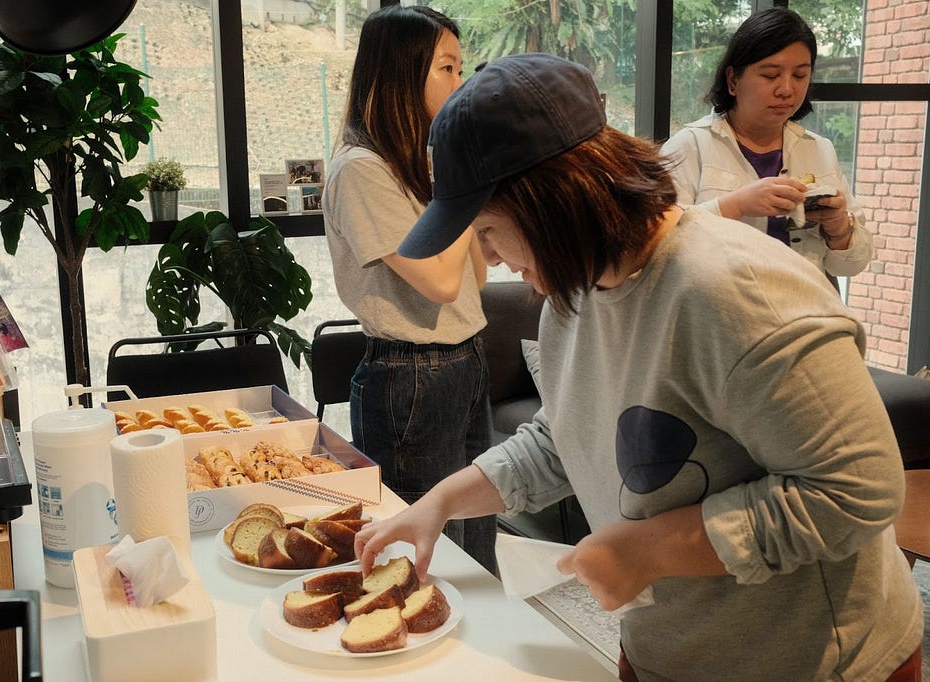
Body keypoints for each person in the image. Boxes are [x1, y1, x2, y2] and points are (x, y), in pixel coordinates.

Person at [354, 53, 923, 681]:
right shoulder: (574, 294)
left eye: (489, 229)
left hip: (811, 660)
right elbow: (565, 435)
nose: (487, 257)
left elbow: (857, 491)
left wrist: (651, 549)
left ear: (553, 202)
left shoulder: (731, 293)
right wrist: (438, 502)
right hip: (666, 647)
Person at [321, 5, 496, 571]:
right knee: (425, 558)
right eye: (446, 68)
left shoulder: (417, 163)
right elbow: (444, 282)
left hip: (463, 359)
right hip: (412, 376)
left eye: (460, 68)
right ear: (402, 73)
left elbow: (478, 276)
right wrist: (464, 182)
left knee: (474, 542)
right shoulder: (362, 170)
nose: (460, 83)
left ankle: (476, 656)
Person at [661, 8, 873, 281]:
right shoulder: (689, 146)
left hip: (804, 314)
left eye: (800, 76)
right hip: (719, 317)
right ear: (733, 80)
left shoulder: (819, 150)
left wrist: (839, 228)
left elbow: (850, 266)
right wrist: (735, 205)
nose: (787, 89)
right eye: (771, 75)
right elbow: (655, 251)